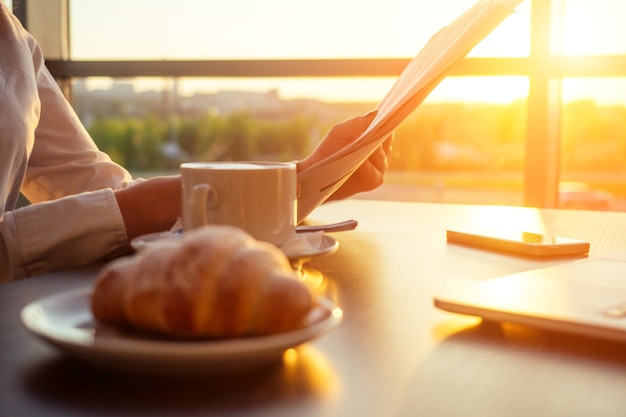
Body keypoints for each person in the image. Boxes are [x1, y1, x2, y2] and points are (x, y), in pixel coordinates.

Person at [0, 3, 392, 282]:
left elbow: (99, 196)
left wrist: (307, 179)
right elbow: (122, 211)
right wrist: (141, 206)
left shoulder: (13, 40)